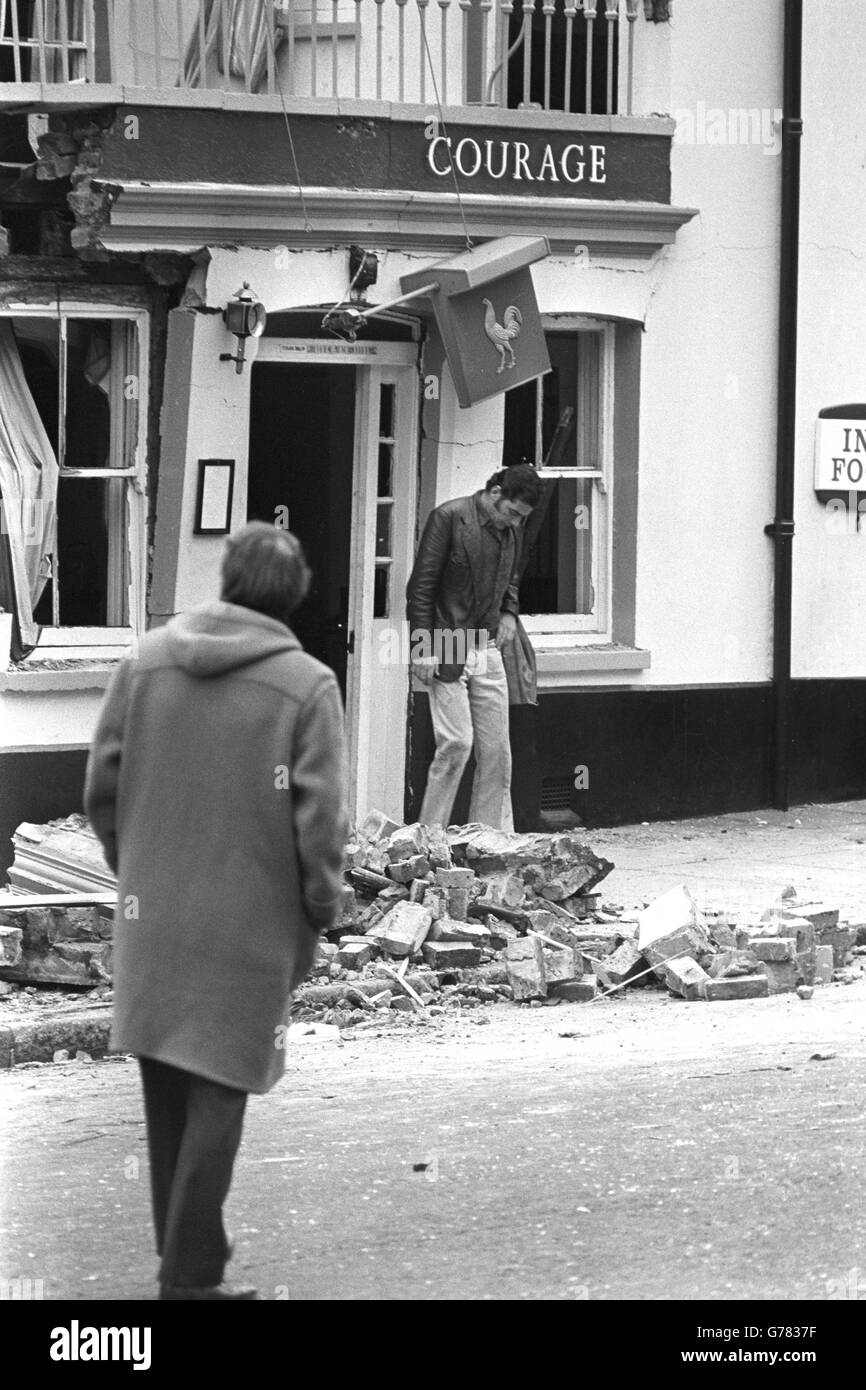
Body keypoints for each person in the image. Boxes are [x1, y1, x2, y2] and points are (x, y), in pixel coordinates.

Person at [84, 522, 348, 1301]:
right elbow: (320, 821)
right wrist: (322, 907)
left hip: (153, 916)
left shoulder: (145, 661)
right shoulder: (306, 686)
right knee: (220, 1097)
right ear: (293, 597)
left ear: (227, 578)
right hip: (249, 926)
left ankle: (188, 1267)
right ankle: (190, 1281)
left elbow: (102, 785)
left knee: (166, 1093)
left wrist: (137, 865)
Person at [406, 463, 543, 831]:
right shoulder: (449, 517)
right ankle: (428, 841)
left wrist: (510, 613)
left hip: (487, 647)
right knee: (456, 745)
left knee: (497, 754)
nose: (516, 523)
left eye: (522, 518)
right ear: (495, 493)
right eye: (513, 513)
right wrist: (422, 648)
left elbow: (512, 576)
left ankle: (488, 842)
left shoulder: (511, 530)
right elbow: (420, 588)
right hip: (447, 642)